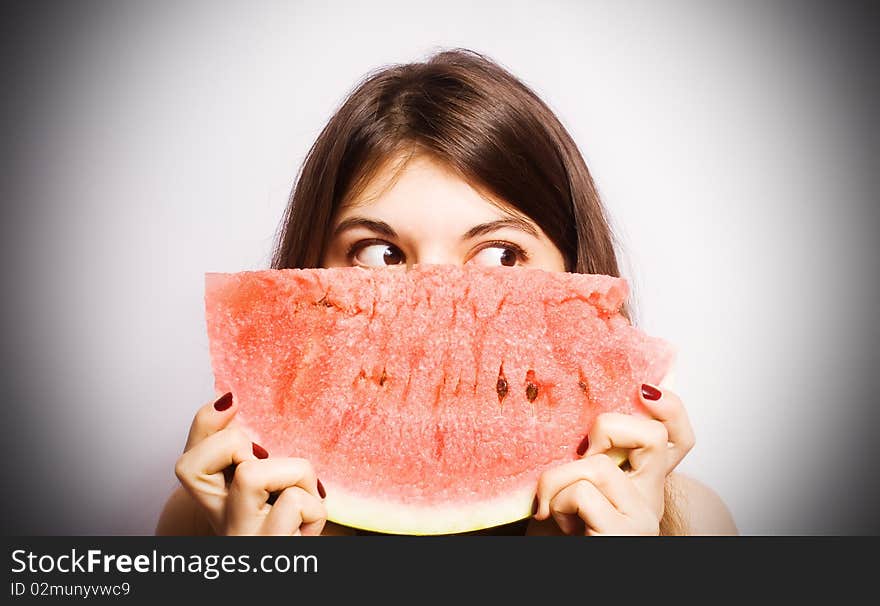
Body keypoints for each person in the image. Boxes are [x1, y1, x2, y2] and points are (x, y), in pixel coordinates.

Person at [157, 48, 737, 536]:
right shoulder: (204, 521)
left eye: (500, 254)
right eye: (380, 253)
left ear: (573, 266)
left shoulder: (693, 524)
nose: (435, 303)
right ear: (311, 266)